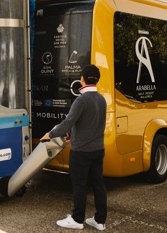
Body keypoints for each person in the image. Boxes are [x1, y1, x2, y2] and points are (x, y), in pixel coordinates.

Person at [41, 64, 107, 231]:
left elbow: (67, 123)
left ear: (83, 79)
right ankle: (100, 221)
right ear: (97, 80)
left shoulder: (81, 100)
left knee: (79, 185)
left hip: (81, 152)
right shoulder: (101, 99)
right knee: (98, 184)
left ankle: (77, 219)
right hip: (98, 149)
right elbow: (91, 125)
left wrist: (50, 134)